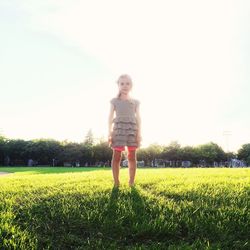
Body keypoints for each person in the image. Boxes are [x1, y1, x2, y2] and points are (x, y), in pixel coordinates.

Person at [108, 74, 142, 187]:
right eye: (122, 83)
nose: (125, 86)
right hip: (118, 130)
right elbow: (109, 117)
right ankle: (116, 182)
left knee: (132, 156)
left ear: (131, 86)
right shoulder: (114, 101)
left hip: (132, 130)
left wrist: (139, 133)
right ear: (118, 85)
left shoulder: (135, 102)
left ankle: (131, 181)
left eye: (127, 83)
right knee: (116, 156)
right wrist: (109, 132)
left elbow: (139, 118)